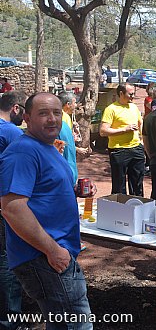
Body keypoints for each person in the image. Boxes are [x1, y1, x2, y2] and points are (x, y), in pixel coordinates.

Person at [0, 93, 94, 329]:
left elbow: (43, 189)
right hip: (43, 256)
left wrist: (75, 189)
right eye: (43, 113)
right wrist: (52, 250)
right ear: (27, 118)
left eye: (56, 113)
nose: (52, 119)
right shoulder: (22, 152)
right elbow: (12, 208)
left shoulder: (46, 147)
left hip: (53, 252)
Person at [0, 90, 26, 330]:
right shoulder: (12, 132)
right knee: (8, 257)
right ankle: (11, 318)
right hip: (5, 203)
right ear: (15, 108)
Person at [99, 83, 145, 196]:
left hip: (136, 148)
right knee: (119, 185)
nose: (133, 96)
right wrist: (124, 129)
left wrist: (142, 140)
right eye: (130, 94)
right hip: (119, 150)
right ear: (121, 93)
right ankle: (120, 209)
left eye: (134, 93)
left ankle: (138, 206)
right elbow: (103, 131)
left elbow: (140, 124)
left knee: (137, 183)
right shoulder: (111, 109)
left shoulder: (133, 107)